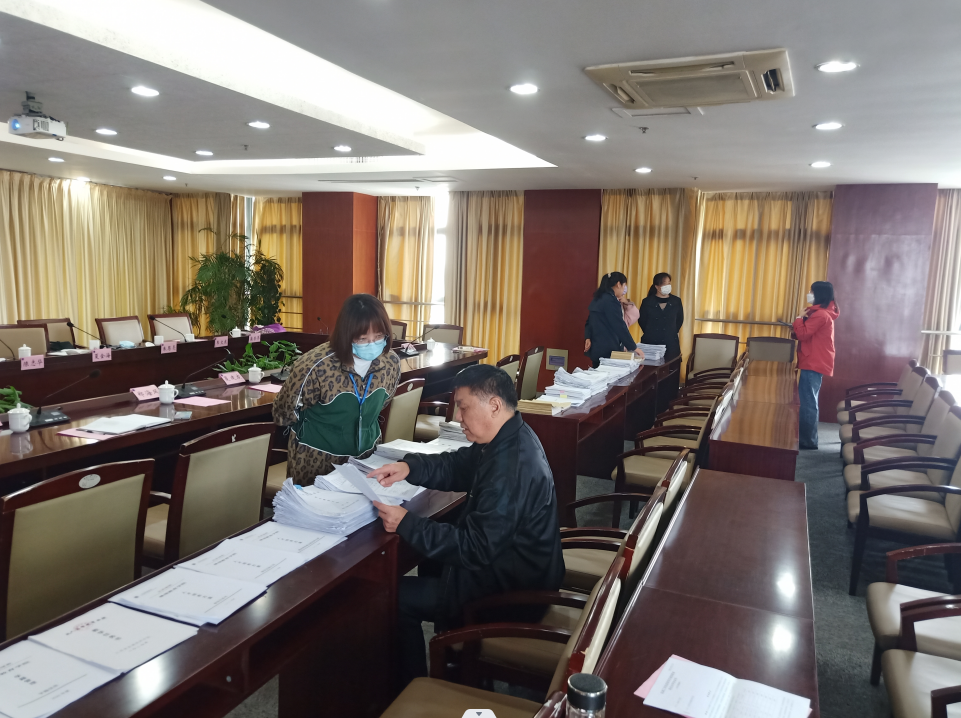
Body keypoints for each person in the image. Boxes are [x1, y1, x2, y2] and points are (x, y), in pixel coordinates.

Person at [368, 364, 564, 686]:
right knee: (430, 558)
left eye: (463, 407)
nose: (458, 417)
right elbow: (458, 465)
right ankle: (454, 664)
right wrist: (409, 467)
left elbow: (475, 549)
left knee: (394, 597)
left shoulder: (511, 467)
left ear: (494, 405)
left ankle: (414, 692)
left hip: (511, 593)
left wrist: (406, 523)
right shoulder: (508, 435)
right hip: (514, 570)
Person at [272, 293, 402, 483]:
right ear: (346, 335)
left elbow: (384, 402)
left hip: (367, 459)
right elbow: (283, 413)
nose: (371, 344)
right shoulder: (314, 366)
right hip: (317, 463)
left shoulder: (391, 362)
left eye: (378, 337)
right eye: (363, 338)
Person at [792, 281, 839, 450]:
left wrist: (799, 318)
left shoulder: (820, 315)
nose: (809, 294)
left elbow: (803, 334)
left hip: (813, 362)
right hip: (814, 360)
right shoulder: (822, 313)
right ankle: (807, 438)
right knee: (809, 400)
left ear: (819, 294)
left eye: (811, 292)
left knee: (808, 403)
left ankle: (808, 441)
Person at [583, 271, 645, 367]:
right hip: (608, 349)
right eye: (624, 285)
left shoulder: (597, 298)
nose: (624, 288)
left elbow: (589, 321)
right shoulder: (611, 301)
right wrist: (633, 347)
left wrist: (588, 337)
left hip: (596, 347)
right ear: (618, 284)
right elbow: (619, 325)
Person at [638, 272, 684, 360]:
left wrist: (670, 331)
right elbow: (642, 321)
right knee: (651, 366)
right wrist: (652, 332)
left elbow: (679, 320)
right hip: (651, 342)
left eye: (669, 283)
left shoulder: (676, 301)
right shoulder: (647, 302)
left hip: (671, 342)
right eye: (664, 283)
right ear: (657, 286)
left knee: (671, 366)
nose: (667, 285)